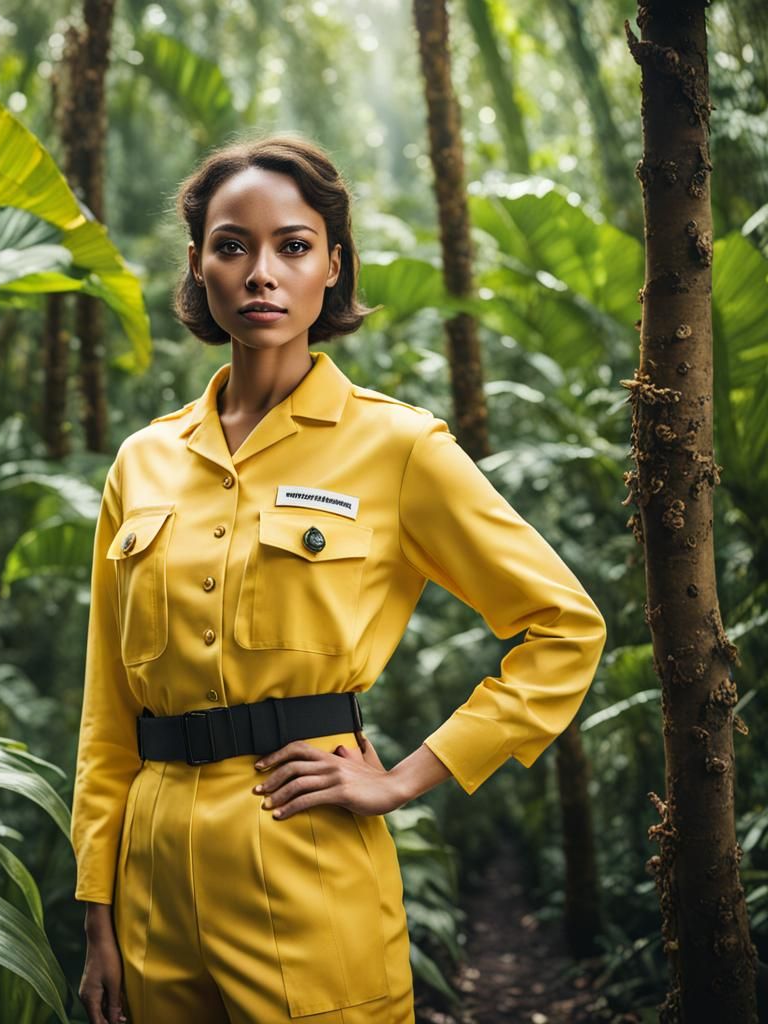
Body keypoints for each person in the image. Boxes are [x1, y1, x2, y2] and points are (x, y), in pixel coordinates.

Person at [71, 130, 607, 1024]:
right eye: (231, 246)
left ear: (333, 267)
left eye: (292, 246)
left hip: (304, 855)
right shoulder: (144, 461)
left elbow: (563, 628)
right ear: (199, 267)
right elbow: (105, 709)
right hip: (153, 879)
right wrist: (98, 911)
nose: (260, 273)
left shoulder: (397, 448)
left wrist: (404, 779)